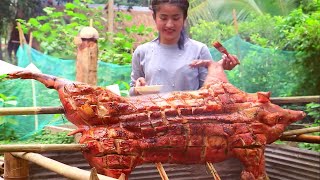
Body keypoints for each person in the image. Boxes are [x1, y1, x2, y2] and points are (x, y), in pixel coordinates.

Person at [129, 0, 239, 96]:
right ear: (154, 17)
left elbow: (210, 91)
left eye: (176, 18)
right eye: (163, 18)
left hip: (190, 118)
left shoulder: (199, 50)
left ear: (184, 18)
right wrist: (137, 88)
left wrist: (218, 68)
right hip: (154, 118)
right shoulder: (142, 52)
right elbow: (132, 92)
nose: (169, 24)